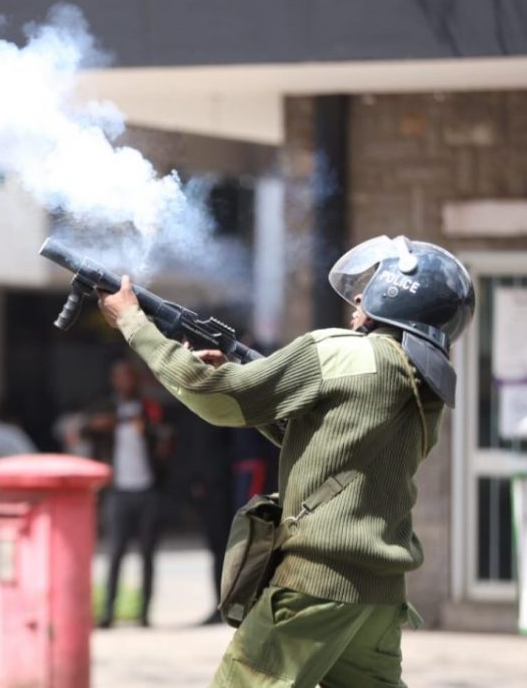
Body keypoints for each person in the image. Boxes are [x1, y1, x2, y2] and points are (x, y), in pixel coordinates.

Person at [96, 235, 474, 688]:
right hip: (377, 596)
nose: (357, 297)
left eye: (373, 285)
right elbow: (330, 446)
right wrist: (247, 384)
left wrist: (133, 323)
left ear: (396, 296)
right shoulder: (418, 386)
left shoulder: (339, 350)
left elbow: (214, 397)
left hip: (315, 584)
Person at [80, 359, 171, 628]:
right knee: (115, 553)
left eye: (130, 377)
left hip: (147, 490)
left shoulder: (147, 408)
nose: (126, 383)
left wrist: (149, 433)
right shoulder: (106, 407)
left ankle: (144, 614)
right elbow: (85, 429)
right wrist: (106, 424)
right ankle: (107, 613)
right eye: (121, 378)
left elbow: (163, 437)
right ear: (114, 381)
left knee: (147, 554)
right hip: (118, 492)